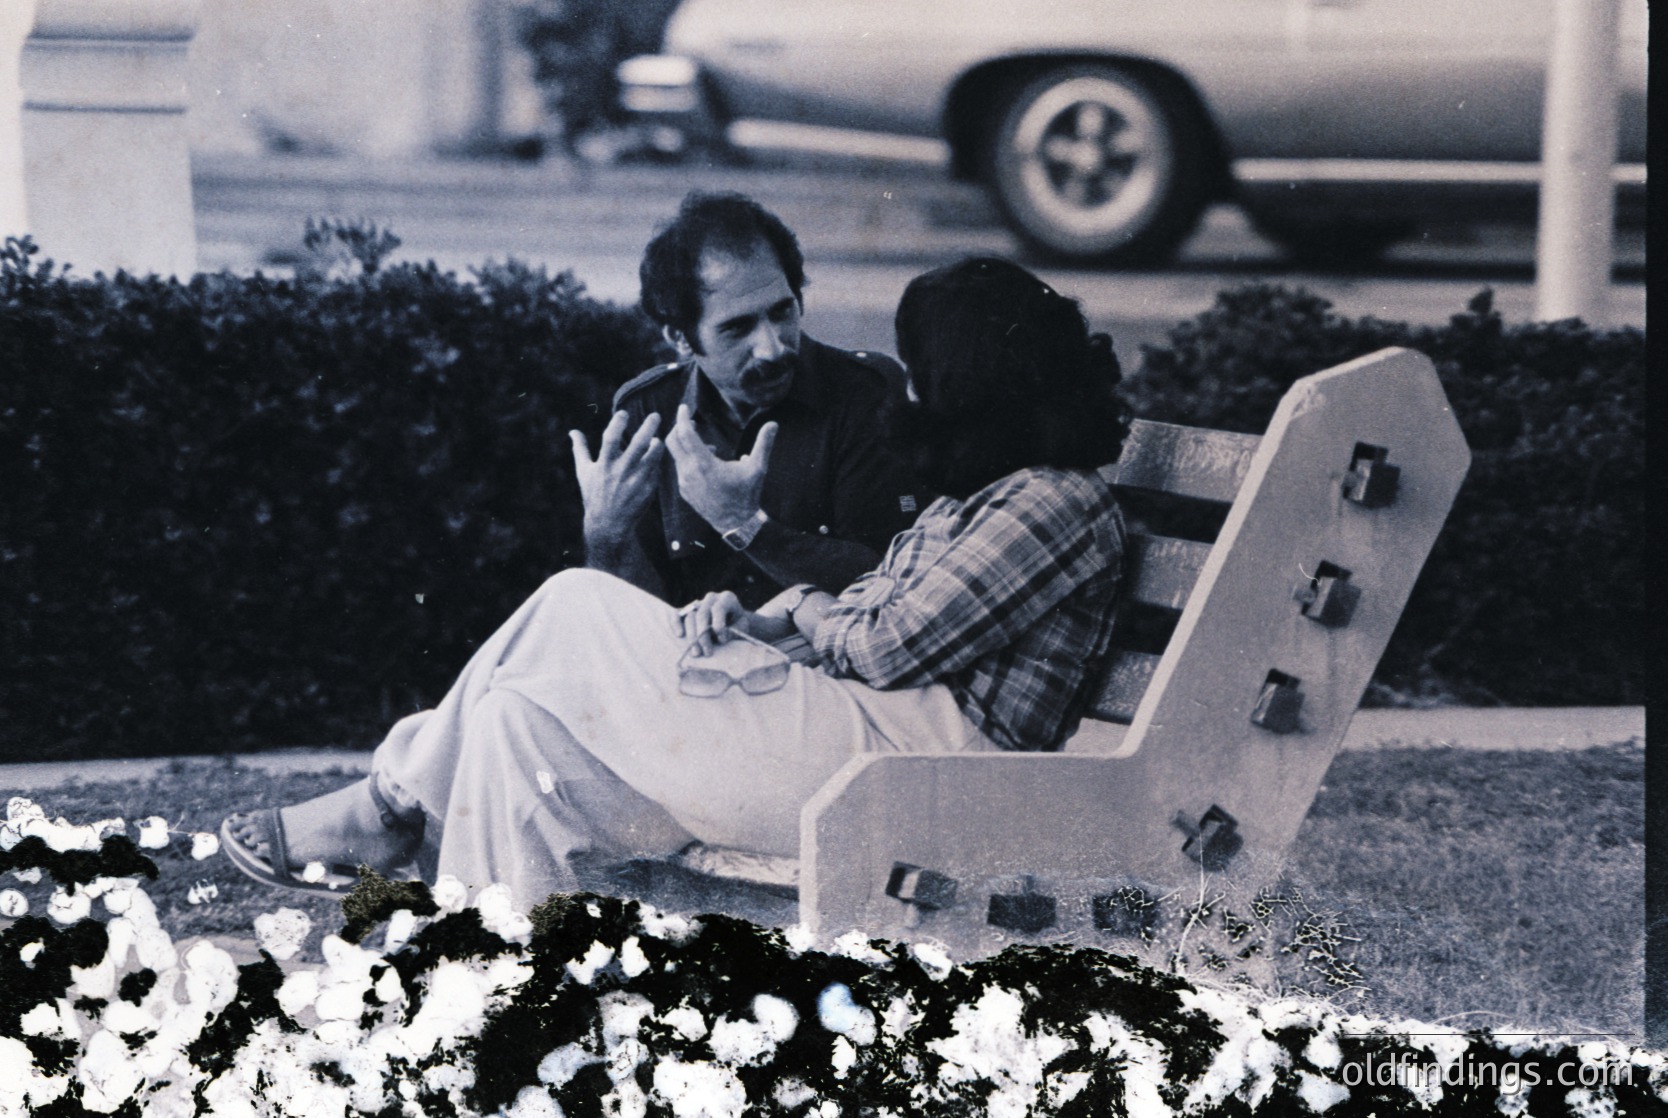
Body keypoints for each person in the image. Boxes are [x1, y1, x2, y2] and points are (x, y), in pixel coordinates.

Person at [221, 257, 1132, 913]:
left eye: (928, 373)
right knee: (515, 734)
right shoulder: (981, 496)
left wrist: (804, 611)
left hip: (930, 766)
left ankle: (389, 800)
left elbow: (893, 642)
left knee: (574, 604)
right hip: (868, 734)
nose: (916, 392)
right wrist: (772, 623)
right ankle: (495, 1021)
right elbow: (879, 615)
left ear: (976, 382)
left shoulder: (1053, 503)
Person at [575, 190, 923, 610]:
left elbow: (894, 586)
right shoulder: (648, 411)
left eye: (781, 312)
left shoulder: (867, 392)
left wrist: (744, 524)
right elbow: (635, 610)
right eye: (738, 328)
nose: (772, 348)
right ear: (681, 338)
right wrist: (605, 536)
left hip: (824, 660)